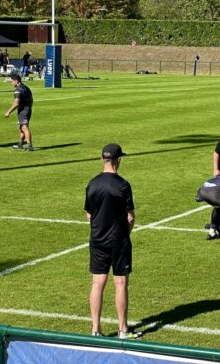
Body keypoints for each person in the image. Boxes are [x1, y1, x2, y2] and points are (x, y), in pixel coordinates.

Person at [84, 144, 140, 339]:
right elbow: (130, 217)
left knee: (97, 283)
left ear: (103, 159)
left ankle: (95, 330)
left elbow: (89, 215)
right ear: (118, 160)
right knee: (121, 283)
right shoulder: (123, 185)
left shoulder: (92, 184)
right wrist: (127, 233)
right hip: (119, 240)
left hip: (97, 240)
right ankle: (123, 329)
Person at [5, 71, 34, 151]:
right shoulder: (26, 87)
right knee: (21, 127)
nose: (11, 82)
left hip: (23, 110)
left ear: (16, 81)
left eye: (12, 80)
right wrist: (28, 107)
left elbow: (16, 103)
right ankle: (21, 144)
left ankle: (29, 146)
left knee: (24, 127)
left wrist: (9, 112)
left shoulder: (18, 89)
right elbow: (31, 99)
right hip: (28, 109)